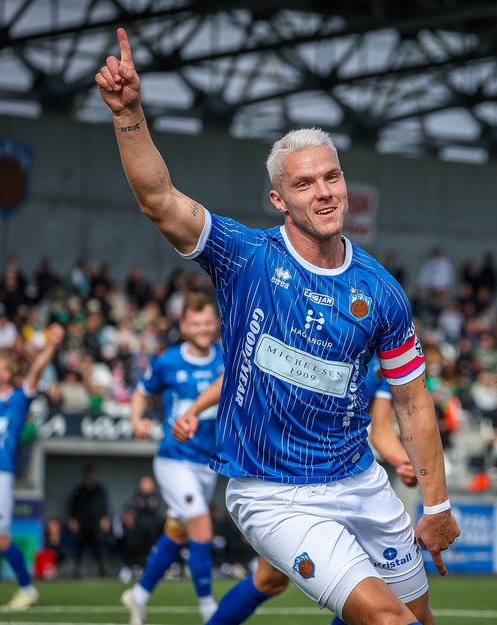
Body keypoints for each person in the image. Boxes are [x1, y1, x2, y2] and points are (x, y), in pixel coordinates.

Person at [96, 28, 459, 625]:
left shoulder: (382, 291)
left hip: (360, 482)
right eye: (304, 184)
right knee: (387, 621)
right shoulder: (247, 256)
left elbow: (413, 400)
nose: (324, 193)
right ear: (278, 199)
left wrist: (437, 504)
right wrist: (128, 115)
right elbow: (159, 199)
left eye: (332, 177)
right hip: (272, 492)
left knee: (416, 621)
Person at [172, 355, 418, 625]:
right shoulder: (311, 335)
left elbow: (381, 429)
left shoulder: (384, 357)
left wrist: (405, 463)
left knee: (373, 587)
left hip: (347, 481)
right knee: (271, 580)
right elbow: (239, 369)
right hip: (286, 481)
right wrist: (194, 410)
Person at [121, 293, 224, 625]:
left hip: (207, 463)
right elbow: (141, 392)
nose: (203, 328)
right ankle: (210, 611)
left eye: (207, 322)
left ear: (216, 323)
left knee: (178, 533)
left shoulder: (227, 358)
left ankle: (138, 597)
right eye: (196, 323)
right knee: (201, 527)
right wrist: (136, 421)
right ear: (184, 326)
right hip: (174, 461)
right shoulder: (168, 361)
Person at [0, 323, 64, 610]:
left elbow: (35, 370)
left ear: (7, 374)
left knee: (0, 539)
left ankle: (27, 589)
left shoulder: (18, 399)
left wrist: (52, 345)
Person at [68, 464, 111, 577]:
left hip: (95, 524)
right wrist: (73, 519)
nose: (89, 476)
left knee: (98, 548)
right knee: (79, 548)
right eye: (87, 474)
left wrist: (105, 519)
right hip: (82, 524)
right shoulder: (79, 491)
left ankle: (102, 571)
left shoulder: (99, 490)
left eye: (90, 474)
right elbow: (73, 506)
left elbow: (104, 506)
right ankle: (76, 571)